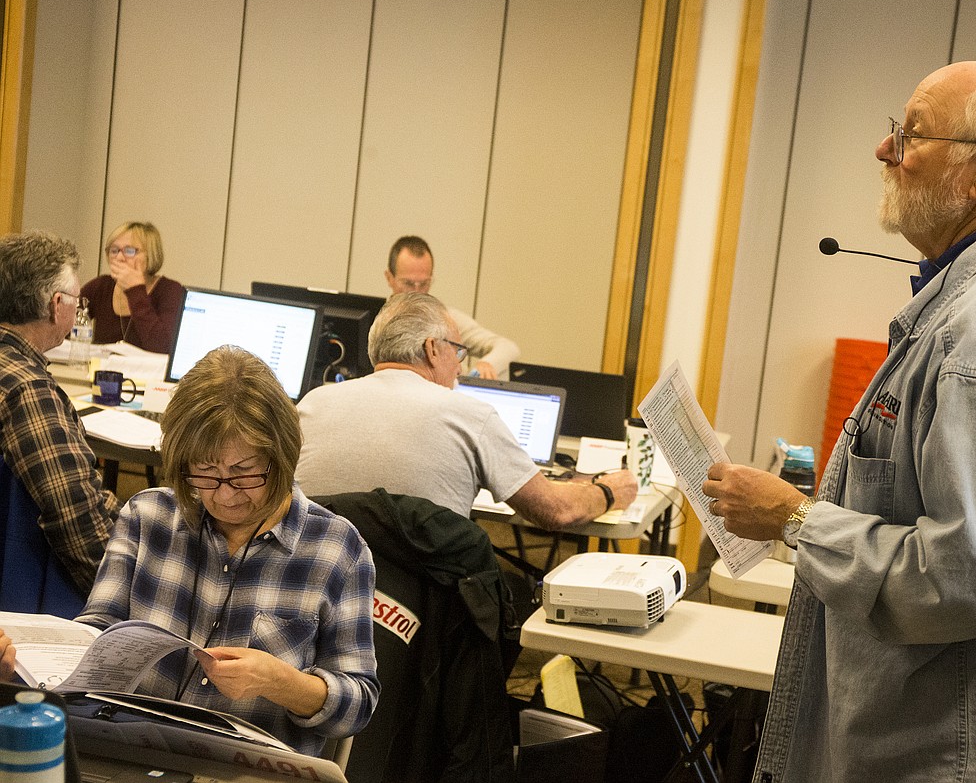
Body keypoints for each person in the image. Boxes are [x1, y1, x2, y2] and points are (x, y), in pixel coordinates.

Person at [702, 61, 976, 781]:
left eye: (911, 133)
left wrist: (797, 521)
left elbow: (968, 579)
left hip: (938, 752)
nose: (885, 150)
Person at [75, 346, 377, 755]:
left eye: (244, 473)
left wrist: (284, 684)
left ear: (281, 457)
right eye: (205, 472)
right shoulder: (148, 517)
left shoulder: (337, 549)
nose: (225, 495)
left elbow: (357, 706)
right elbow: (94, 632)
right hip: (133, 751)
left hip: (251, 769)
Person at [296, 292, 635, 529]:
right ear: (432, 349)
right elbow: (556, 512)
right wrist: (607, 491)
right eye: (457, 353)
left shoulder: (312, 405)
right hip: (419, 614)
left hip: (319, 600)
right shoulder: (470, 415)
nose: (459, 368)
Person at [0, 230, 119, 616]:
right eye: (76, 299)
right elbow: (80, 528)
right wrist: (128, 603)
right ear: (56, 306)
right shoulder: (28, 391)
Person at [385, 235, 519, 379]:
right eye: (408, 283)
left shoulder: (447, 320)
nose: (417, 292)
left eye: (424, 283)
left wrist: (487, 364)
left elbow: (508, 348)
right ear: (389, 278)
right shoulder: (378, 324)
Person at [80, 221, 185, 353]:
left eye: (129, 251)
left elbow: (163, 346)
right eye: (114, 250)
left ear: (150, 255)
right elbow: (61, 329)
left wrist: (135, 291)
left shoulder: (170, 291)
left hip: (149, 372)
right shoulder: (100, 286)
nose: (119, 257)